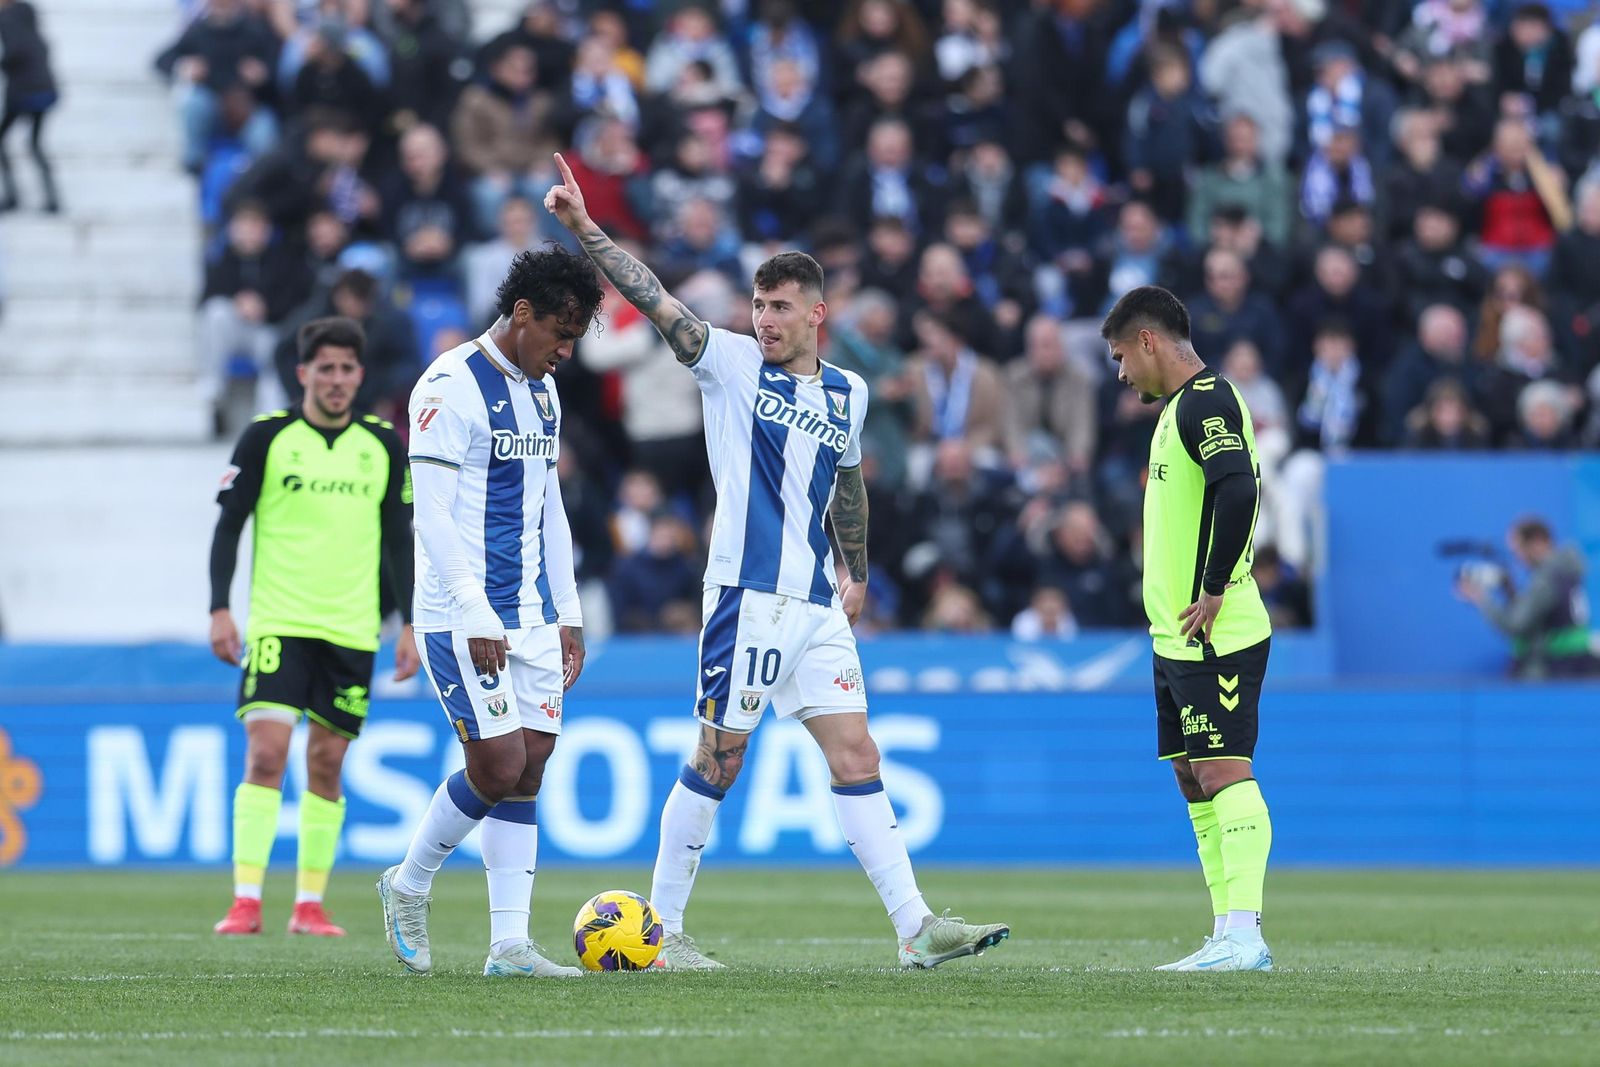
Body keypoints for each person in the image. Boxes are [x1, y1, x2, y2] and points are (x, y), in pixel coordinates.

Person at [546, 151, 1009, 970]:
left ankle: (915, 927)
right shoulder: (726, 364)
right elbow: (656, 299)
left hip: (816, 604)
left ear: (817, 314)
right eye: (759, 304)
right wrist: (587, 231)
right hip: (747, 596)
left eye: (781, 307)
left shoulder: (850, 394)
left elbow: (849, 482)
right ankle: (665, 932)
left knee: (857, 755)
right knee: (718, 757)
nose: (764, 318)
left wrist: (856, 569)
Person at [376, 245, 603, 979]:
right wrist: (474, 611)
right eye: (559, 334)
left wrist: (566, 608)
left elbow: (550, 503)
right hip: (461, 611)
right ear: (522, 313)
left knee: (531, 767)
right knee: (498, 762)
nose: (565, 351)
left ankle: (509, 946)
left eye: (576, 339)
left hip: (533, 610)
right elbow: (432, 516)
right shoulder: (448, 383)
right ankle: (408, 881)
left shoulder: (544, 391)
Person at [208, 316, 419, 938]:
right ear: (303, 374)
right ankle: (246, 900)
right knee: (268, 753)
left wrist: (409, 624)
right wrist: (220, 607)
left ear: (360, 375)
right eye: (324, 368)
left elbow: (398, 542)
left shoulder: (382, 444)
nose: (335, 379)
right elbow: (228, 526)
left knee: (326, 764)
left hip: (353, 630)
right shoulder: (266, 437)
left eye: (346, 369)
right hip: (278, 620)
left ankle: (309, 905)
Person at [1101, 286, 1274, 973]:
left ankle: (1245, 931)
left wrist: (1211, 590)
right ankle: (1223, 931)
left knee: (1224, 769)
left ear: (1148, 341)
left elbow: (1238, 487)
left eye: (1120, 356)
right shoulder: (1177, 410)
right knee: (1192, 779)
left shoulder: (1207, 399)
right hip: (1175, 636)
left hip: (1216, 629)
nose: (1120, 374)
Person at [1457, 517, 1599, 679]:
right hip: (1579, 667)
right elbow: (1543, 617)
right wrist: (1508, 590)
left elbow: (1516, 625)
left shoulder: (1546, 579)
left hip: (1555, 672)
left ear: (1537, 543)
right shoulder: (1566, 570)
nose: (1518, 558)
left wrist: (1480, 598)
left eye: (1519, 550)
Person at [0, 0, 59, 213]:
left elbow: (15, 50)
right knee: (35, 144)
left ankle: (12, 196)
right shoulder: (27, 15)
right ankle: (52, 199)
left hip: (23, 91)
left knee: (23, 143)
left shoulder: (7, 19)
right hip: (44, 87)